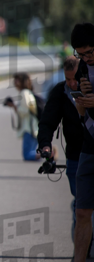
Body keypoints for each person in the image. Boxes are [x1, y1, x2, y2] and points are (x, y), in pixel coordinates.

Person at [52, 23, 94, 262]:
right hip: (90, 144)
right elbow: (84, 112)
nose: (86, 58)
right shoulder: (81, 68)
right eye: (81, 54)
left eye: (89, 52)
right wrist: (82, 108)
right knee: (81, 210)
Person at [38, 57, 83, 235]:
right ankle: (82, 245)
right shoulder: (60, 92)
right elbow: (47, 122)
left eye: (75, 79)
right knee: (80, 202)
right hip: (74, 155)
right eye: (68, 79)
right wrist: (45, 146)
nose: (72, 83)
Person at [3, 73, 40, 160]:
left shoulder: (24, 93)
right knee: (32, 152)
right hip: (34, 127)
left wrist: (14, 106)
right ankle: (47, 152)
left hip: (29, 128)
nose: (15, 82)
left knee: (27, 155)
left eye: (18, 80)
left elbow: (25, 111)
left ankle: (49, 154)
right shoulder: (29, 92)